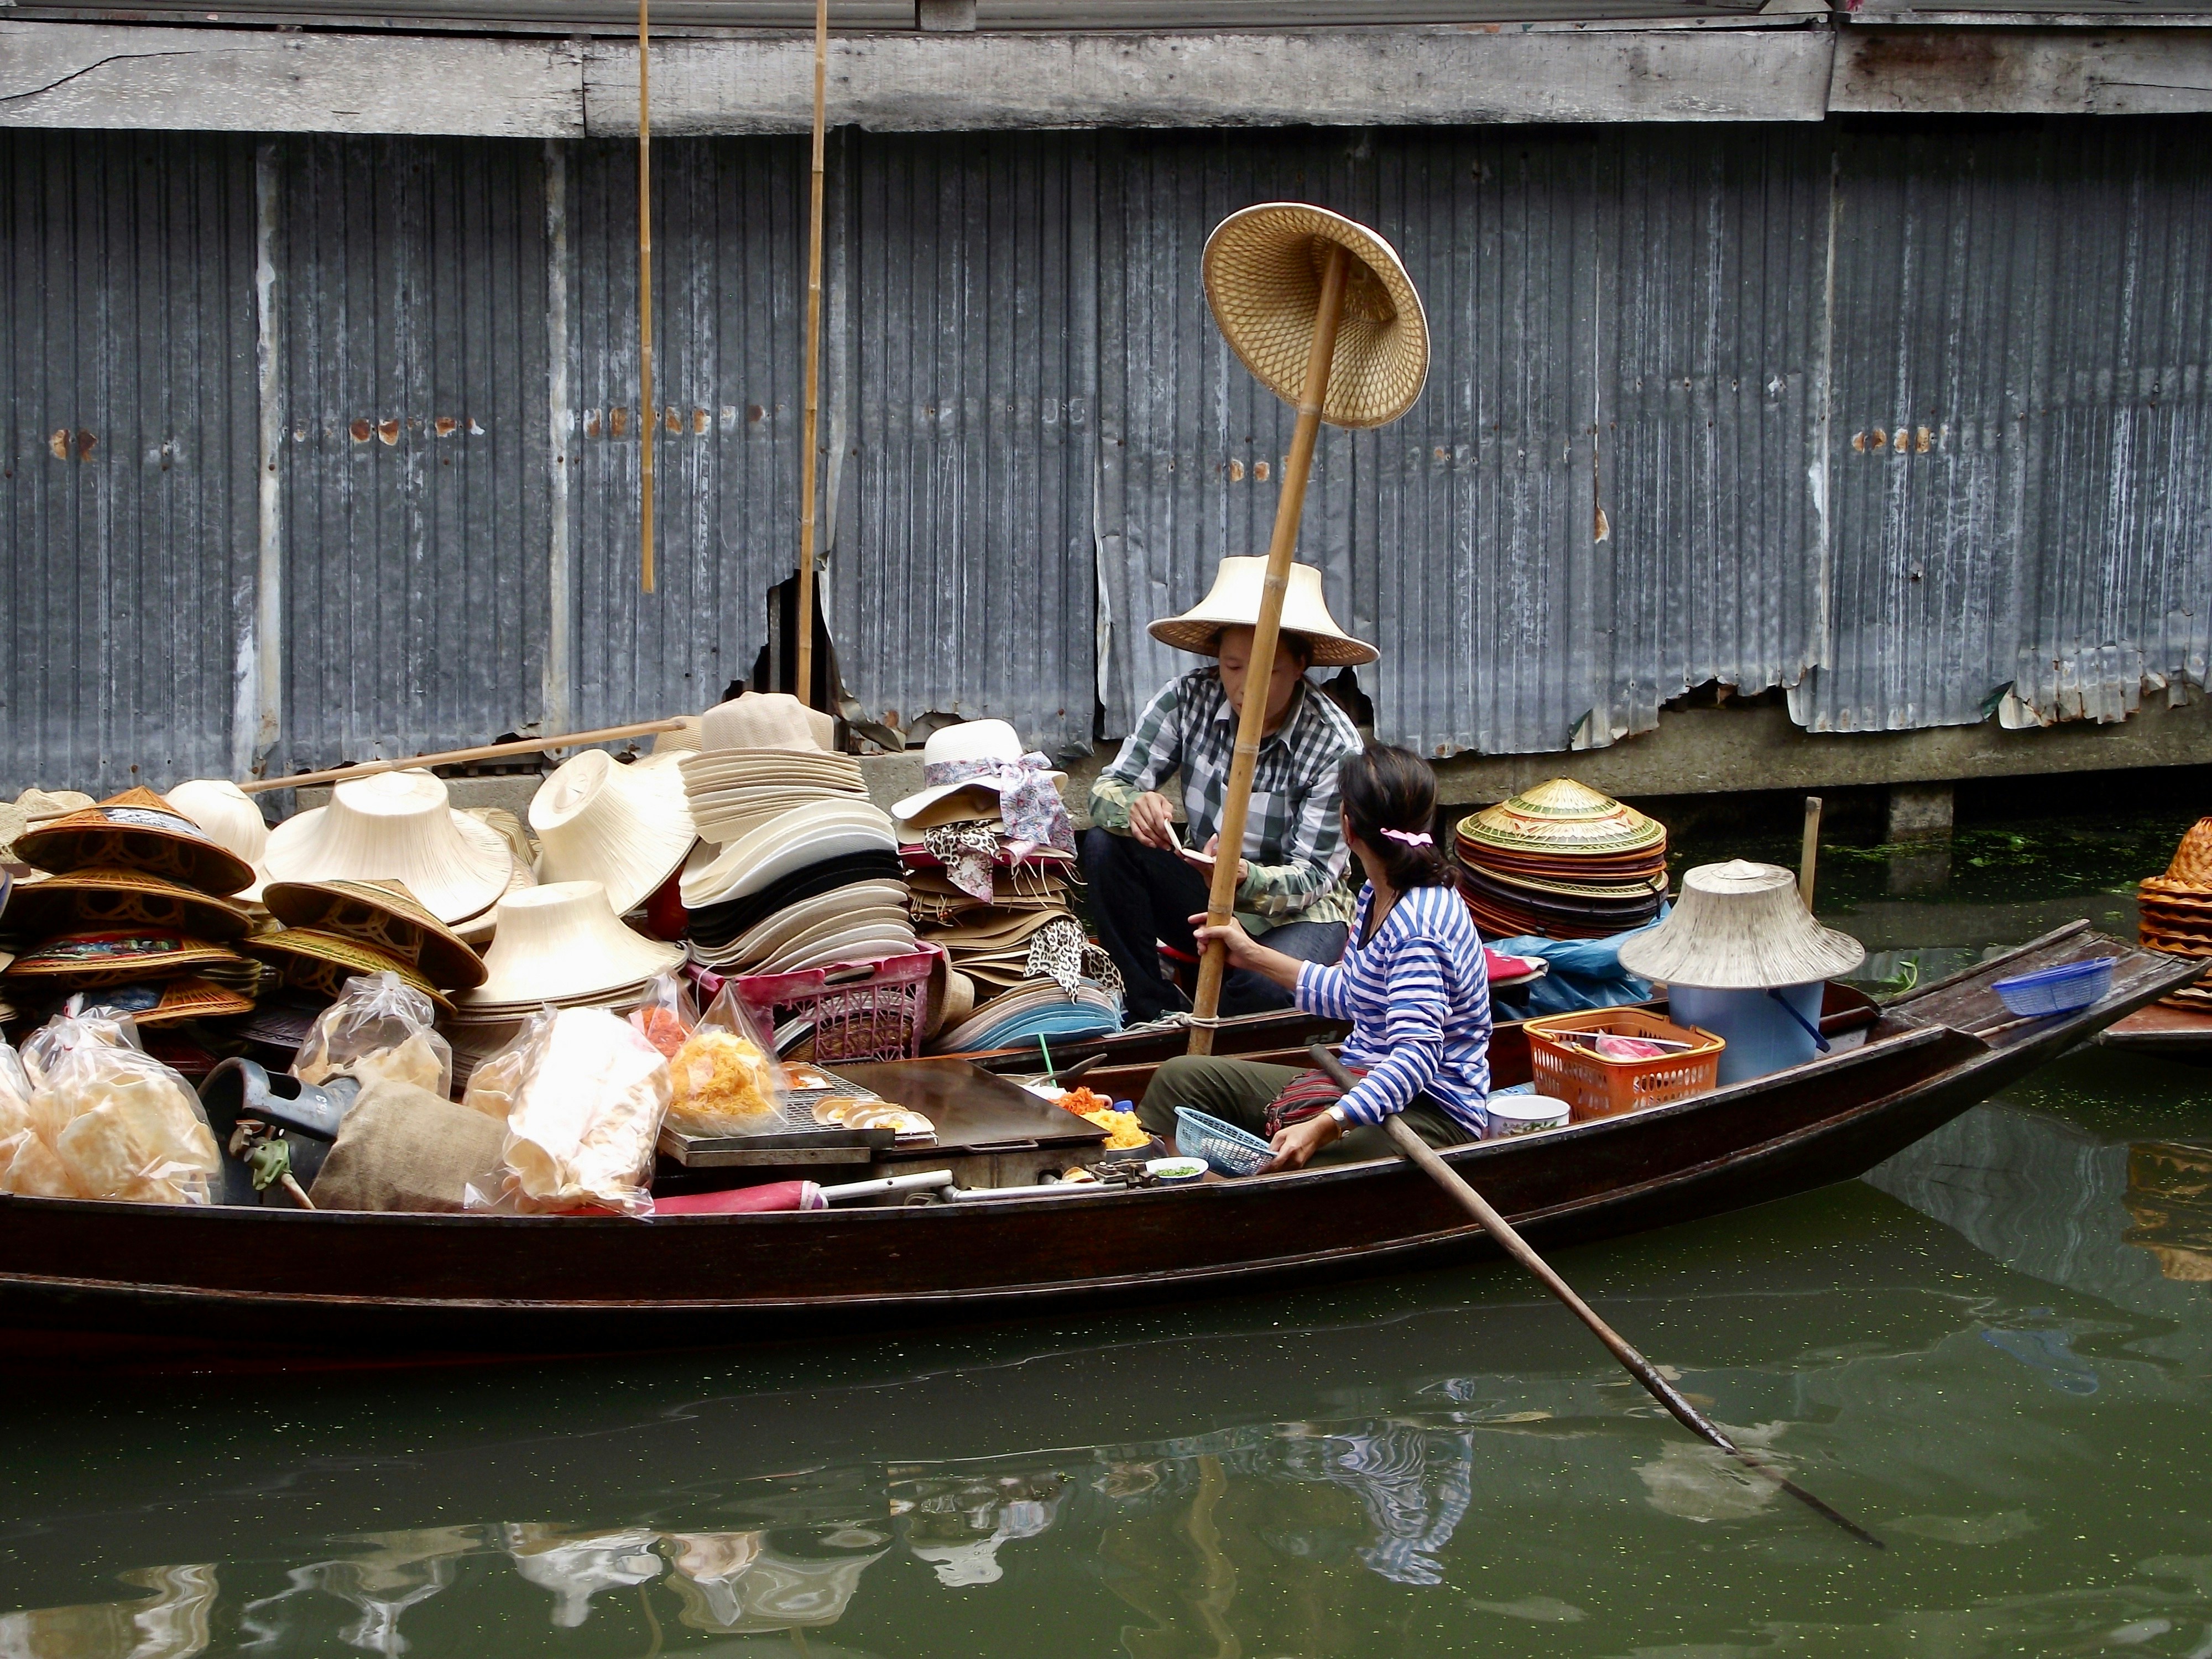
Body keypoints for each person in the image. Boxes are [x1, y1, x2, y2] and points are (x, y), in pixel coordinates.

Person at [1135, 744, 1492, 1171]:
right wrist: (1251, 954)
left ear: (1348, 827)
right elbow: (1355, 993)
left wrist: (1325, 1125)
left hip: (1432, 1110)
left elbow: (1415, 1058)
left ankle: (1225, 1203)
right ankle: (1197, 1189)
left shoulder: (1418, 925)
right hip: (1357, 1079)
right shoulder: (1377, 894)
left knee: (1293, 1161)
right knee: (1180, 1080)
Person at [1084, 557, 1372, 1022]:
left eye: (1268, 671)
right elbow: (1106, 790)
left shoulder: (1335, 745)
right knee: (1104, 846)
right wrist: (1135, 806)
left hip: (1298, 914)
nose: (1245, 687)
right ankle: (1149, 1008)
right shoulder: (1186, 699)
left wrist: (1243, 878)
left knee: (1259, 991)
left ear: (1301, 665)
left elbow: (1315, 877)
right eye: (1233, 667)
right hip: (1204, 892)